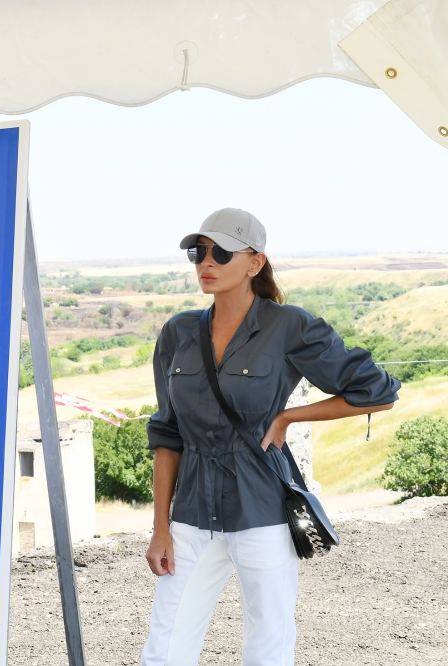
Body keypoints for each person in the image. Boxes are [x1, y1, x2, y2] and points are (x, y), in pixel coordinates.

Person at [139, 208, 401, 666]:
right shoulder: (178, 332)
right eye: (197, 252)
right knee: (165, 645)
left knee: (269, 641)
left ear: (255, 263)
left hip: (262, 510)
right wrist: (160, 528)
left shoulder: (290, 327)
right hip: (191, 515)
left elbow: (376, 393)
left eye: (221, 251)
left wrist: (289, 417)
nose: (206, 262)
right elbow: (167, 433)